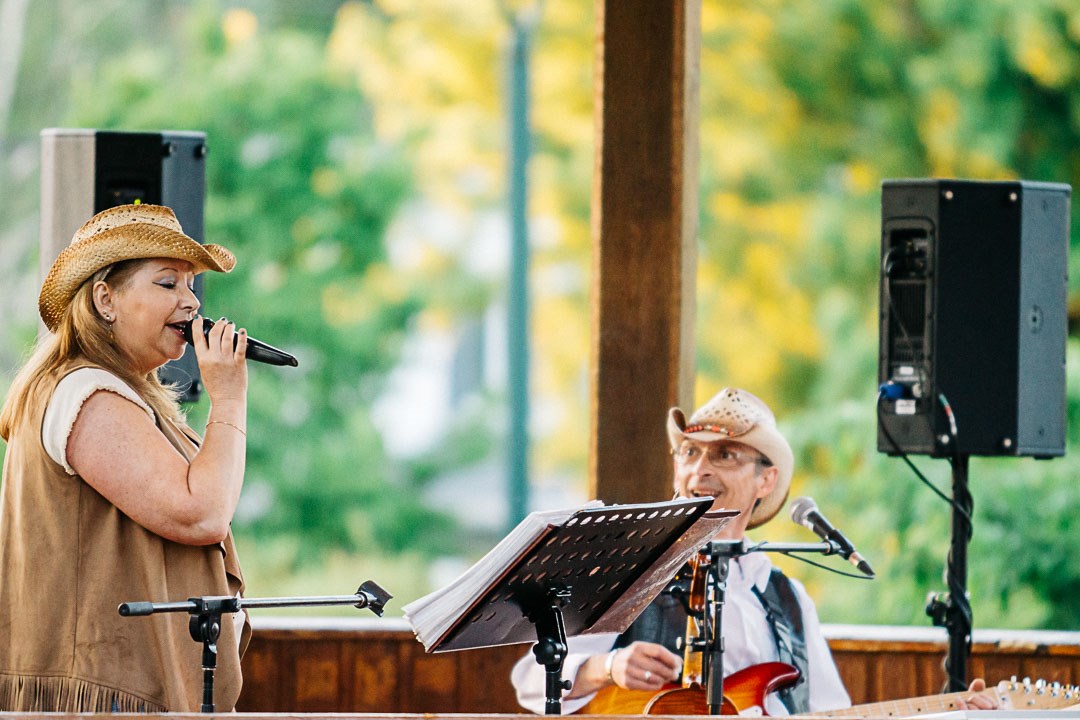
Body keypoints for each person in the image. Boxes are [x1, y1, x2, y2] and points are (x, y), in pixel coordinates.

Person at [512, 387, 998, 715]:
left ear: (766, 480)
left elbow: (832, 711)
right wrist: (607, 667)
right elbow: (531, 680)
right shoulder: (631, 574)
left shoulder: (787, 598)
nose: (699, 470)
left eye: (723, 455)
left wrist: (948, 710)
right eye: (689, 452)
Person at [0, 203, 250, 712]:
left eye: (191, 286)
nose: (191, 303)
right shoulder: (86, 392)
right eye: (167, 283)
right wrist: (228, 398)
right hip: (102, 697)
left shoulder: (116, 391)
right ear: (105, 299)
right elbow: (201, 513)